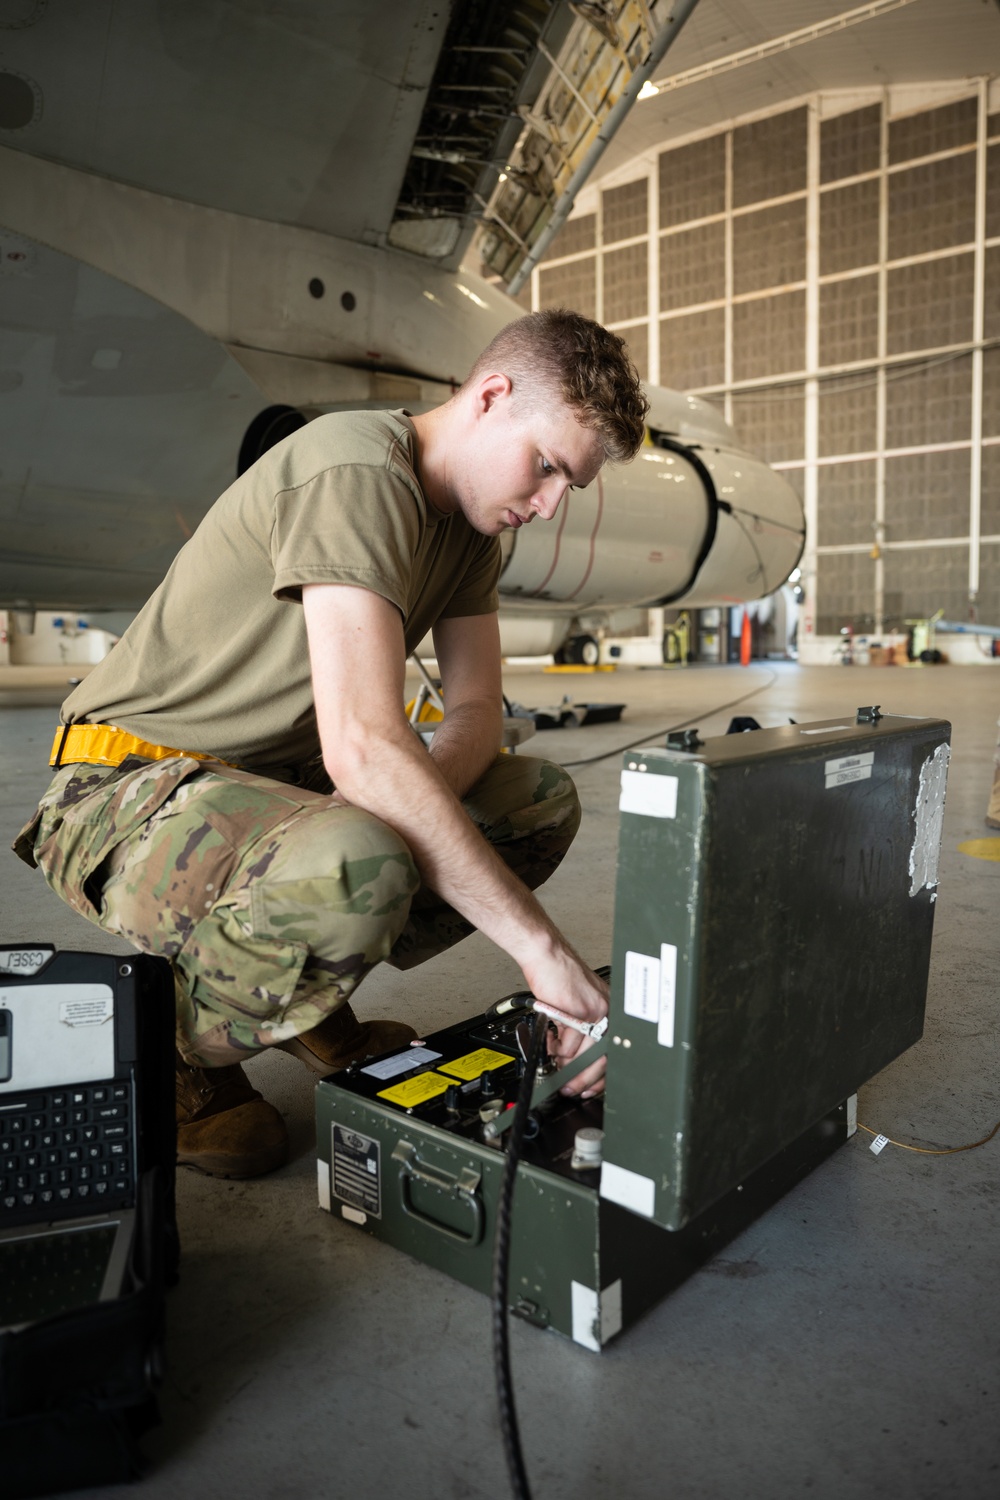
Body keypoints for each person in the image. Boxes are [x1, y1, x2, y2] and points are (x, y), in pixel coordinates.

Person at [13, 308, 648, 1178]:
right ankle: (172, 1053)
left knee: (531, 800)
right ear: (492, 396)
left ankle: (301, 999)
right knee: (362, 858)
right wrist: (545, 954)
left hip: (271, 788)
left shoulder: (471, 532)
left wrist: (391, 809)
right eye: (545, 467)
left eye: (567, 486)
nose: (546, 505)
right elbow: (361, 743)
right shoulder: (354, 470)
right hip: (126, 781)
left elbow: (477, 714)